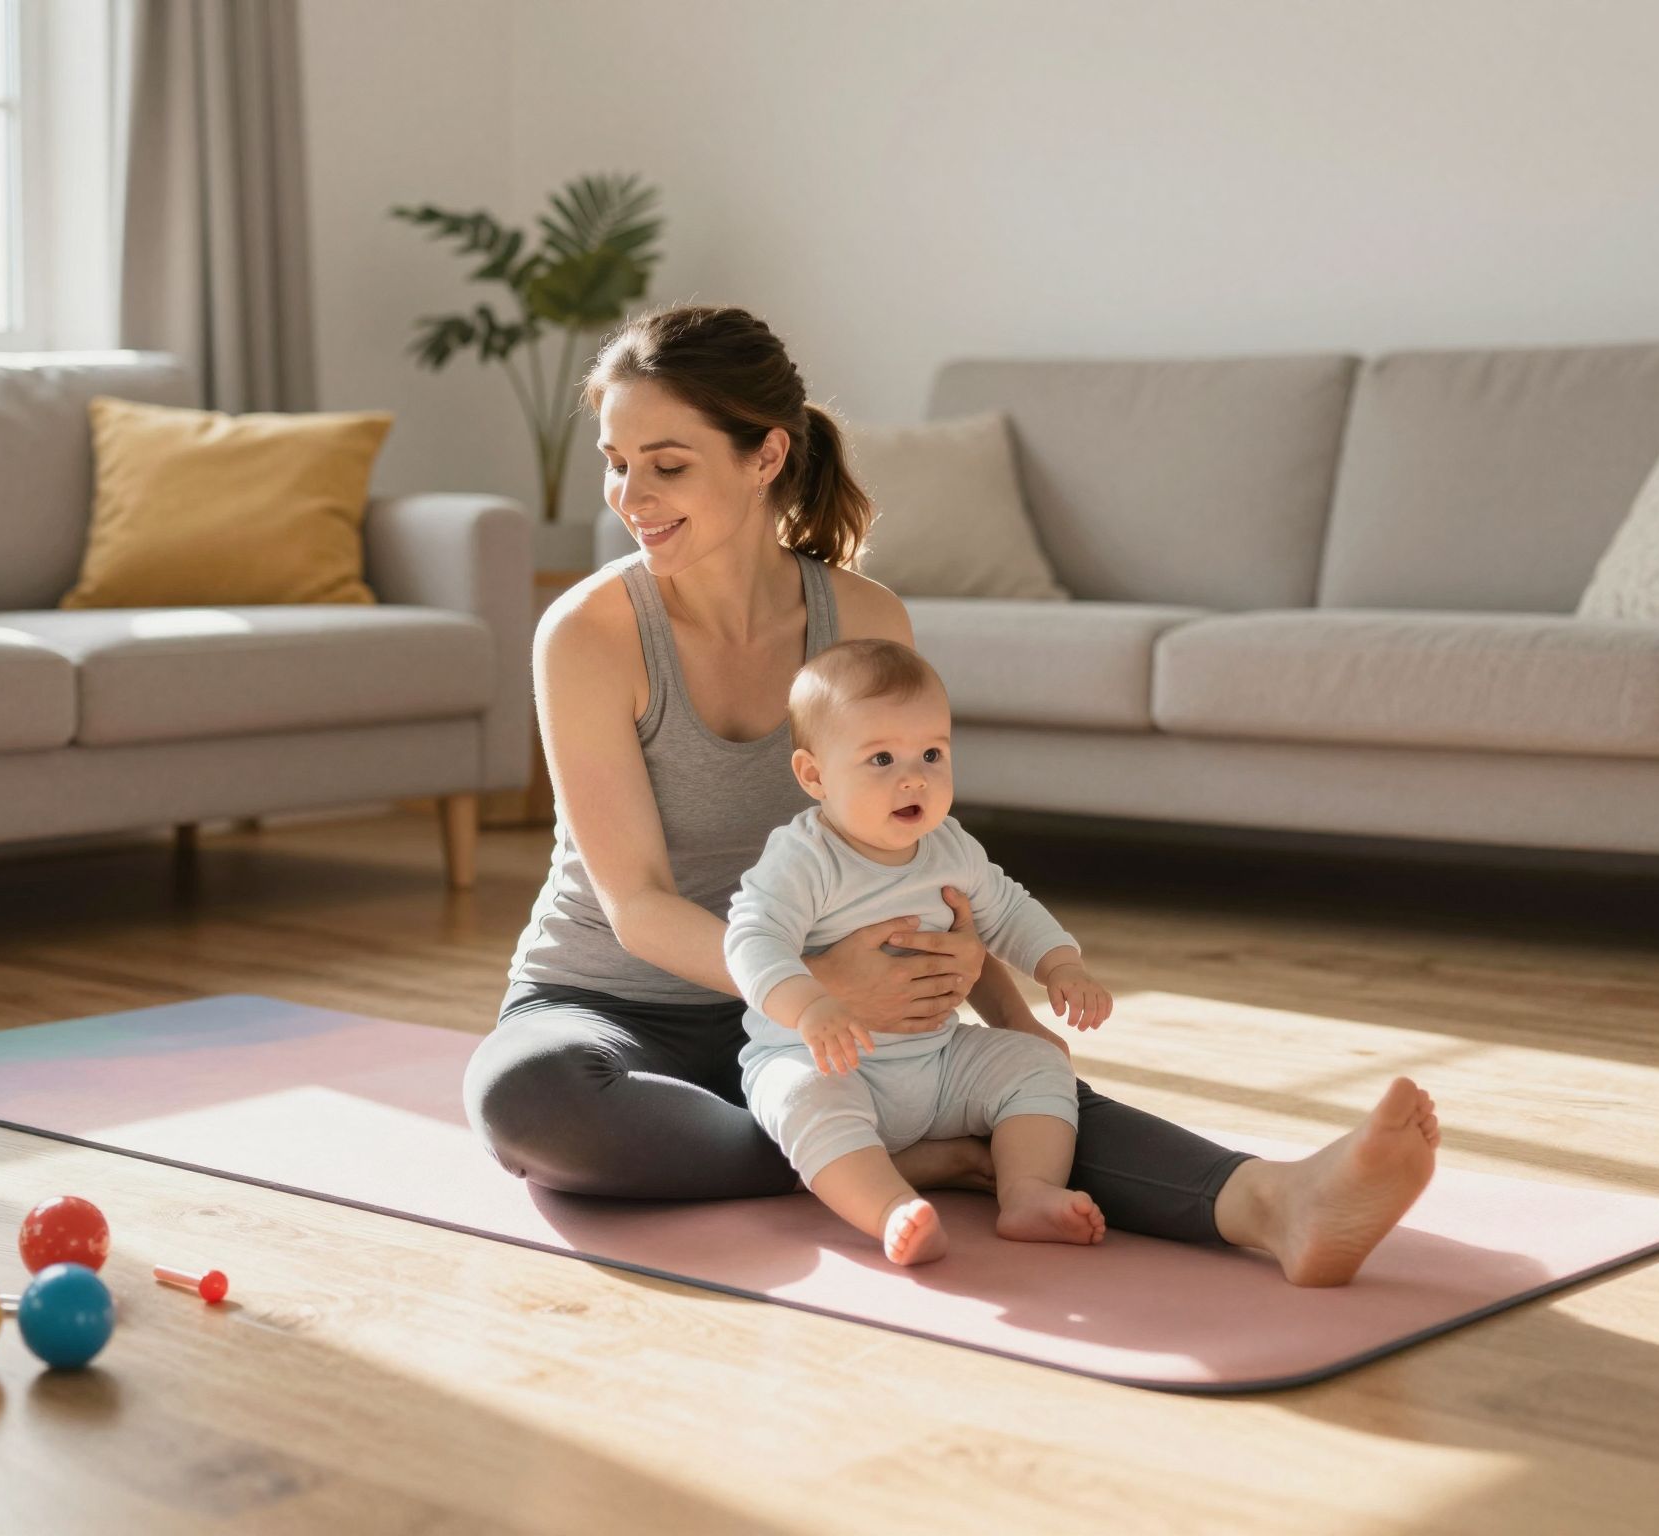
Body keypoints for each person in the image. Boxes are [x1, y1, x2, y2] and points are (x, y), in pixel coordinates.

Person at [462, 302, 1440, 1286]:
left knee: (1015, 1088)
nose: (629, 496)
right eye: (615, 462)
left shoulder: (861, 619)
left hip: (839, 1012)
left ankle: (1274, 1203)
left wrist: (1008, 1020)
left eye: (666, 465)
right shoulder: (589, 634)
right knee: (528, 1101)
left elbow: (920, 846)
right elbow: (635, 904)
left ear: (765, 456)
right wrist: (817, 991)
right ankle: (909, 1158)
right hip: (620, 1009)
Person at [726, 637, 1110, 1266]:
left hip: (936, 1060)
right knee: (798, 1097)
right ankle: (891, 1211)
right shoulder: (804, 858)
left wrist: (1060, 964)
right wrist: (809, 1006)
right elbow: (750, 938)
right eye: (881, 758)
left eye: (932, 754)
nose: (914, 777)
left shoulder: (951, 847)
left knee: (1037, 1063)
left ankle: (1028, 1193)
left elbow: (1008, 910)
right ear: (814, 775)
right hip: (825, 1059)